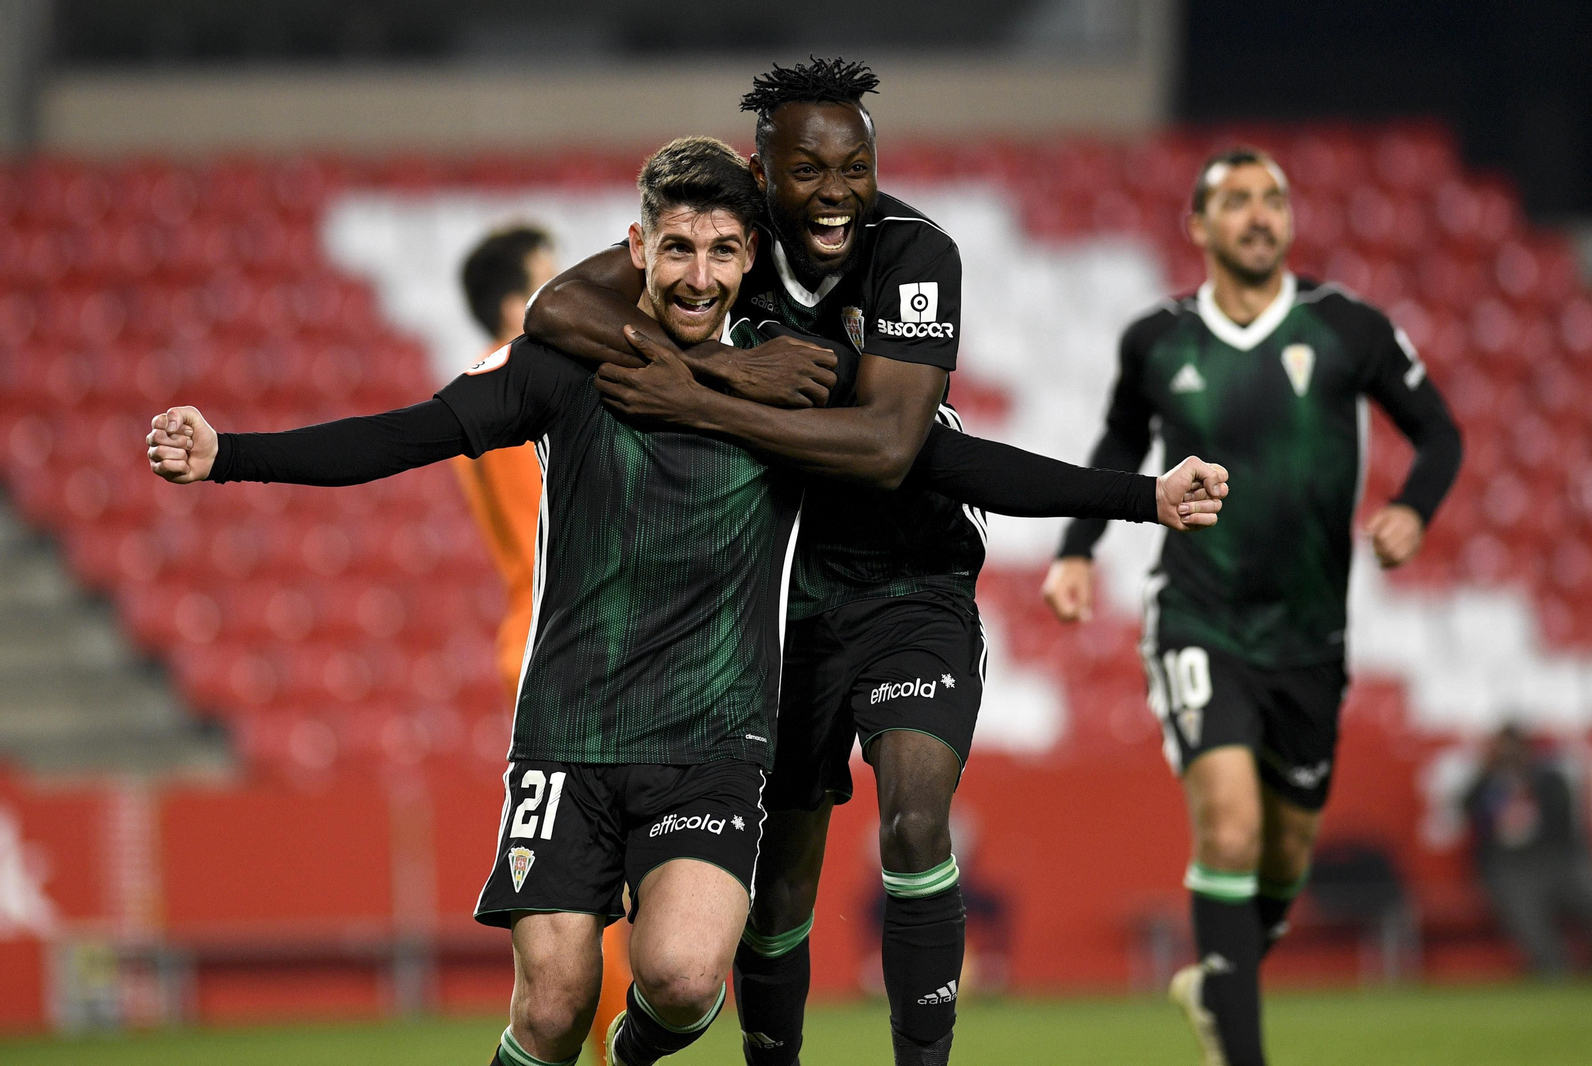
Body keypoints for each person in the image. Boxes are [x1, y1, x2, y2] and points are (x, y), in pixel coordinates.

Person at [149, 135, 1221, 1066]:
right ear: (638, 249)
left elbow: (952, 462)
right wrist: (229, 454)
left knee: (680, 978)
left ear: (747, 256)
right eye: (677, 248)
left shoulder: (798, 380)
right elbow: (404, 434)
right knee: (556, 996)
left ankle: (643, 1050)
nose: (699, 273)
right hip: (569, 732)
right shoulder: (565, 368)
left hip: (712, 740)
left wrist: (1140, 498)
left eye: (720, 249)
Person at [525, 57, 1226, 1066]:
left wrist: (694, 398)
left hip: (912, 582)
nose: (837, 191)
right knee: (779, 885)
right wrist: (726, 363)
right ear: (760, 170)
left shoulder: (913, 253)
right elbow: (555, 311)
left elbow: (901, 449)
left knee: (910, 818)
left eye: (855, 166)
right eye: (808, 171)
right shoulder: (725, 243)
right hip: (777, 605)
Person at [1041, 147, 1463, 1066]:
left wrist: (1411, 510)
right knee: (1228, 822)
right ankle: (1241, 1051)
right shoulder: (1156, 339)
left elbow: (1439, 433)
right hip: (1199, 615)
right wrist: (1078, 551)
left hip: (1313, 634)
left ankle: (1218, 980)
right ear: (1198, 225)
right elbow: (1117, 440)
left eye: (1274, 198)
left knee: (1284, 855)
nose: (1260, 215)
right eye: (1237, 201)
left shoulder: (1347, 326)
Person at [456, 223, 630, 1064]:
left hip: (532, 637)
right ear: (510, 302)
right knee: (602, 888)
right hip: (573, 647)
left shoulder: (491, 386)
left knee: (582, 886)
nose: (565, 291)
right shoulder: (527, 383)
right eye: (546, 280)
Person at [1463, 724, 1592, 976]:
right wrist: (1492, 779)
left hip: (1558, 859)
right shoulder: (1487, 783)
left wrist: (1526, 788)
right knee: (1530, 925)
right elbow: (1468, 813)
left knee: (1591, 899)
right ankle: (1553, 971)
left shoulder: (1548, 778)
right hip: (1513, 867)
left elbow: (1562, 821)